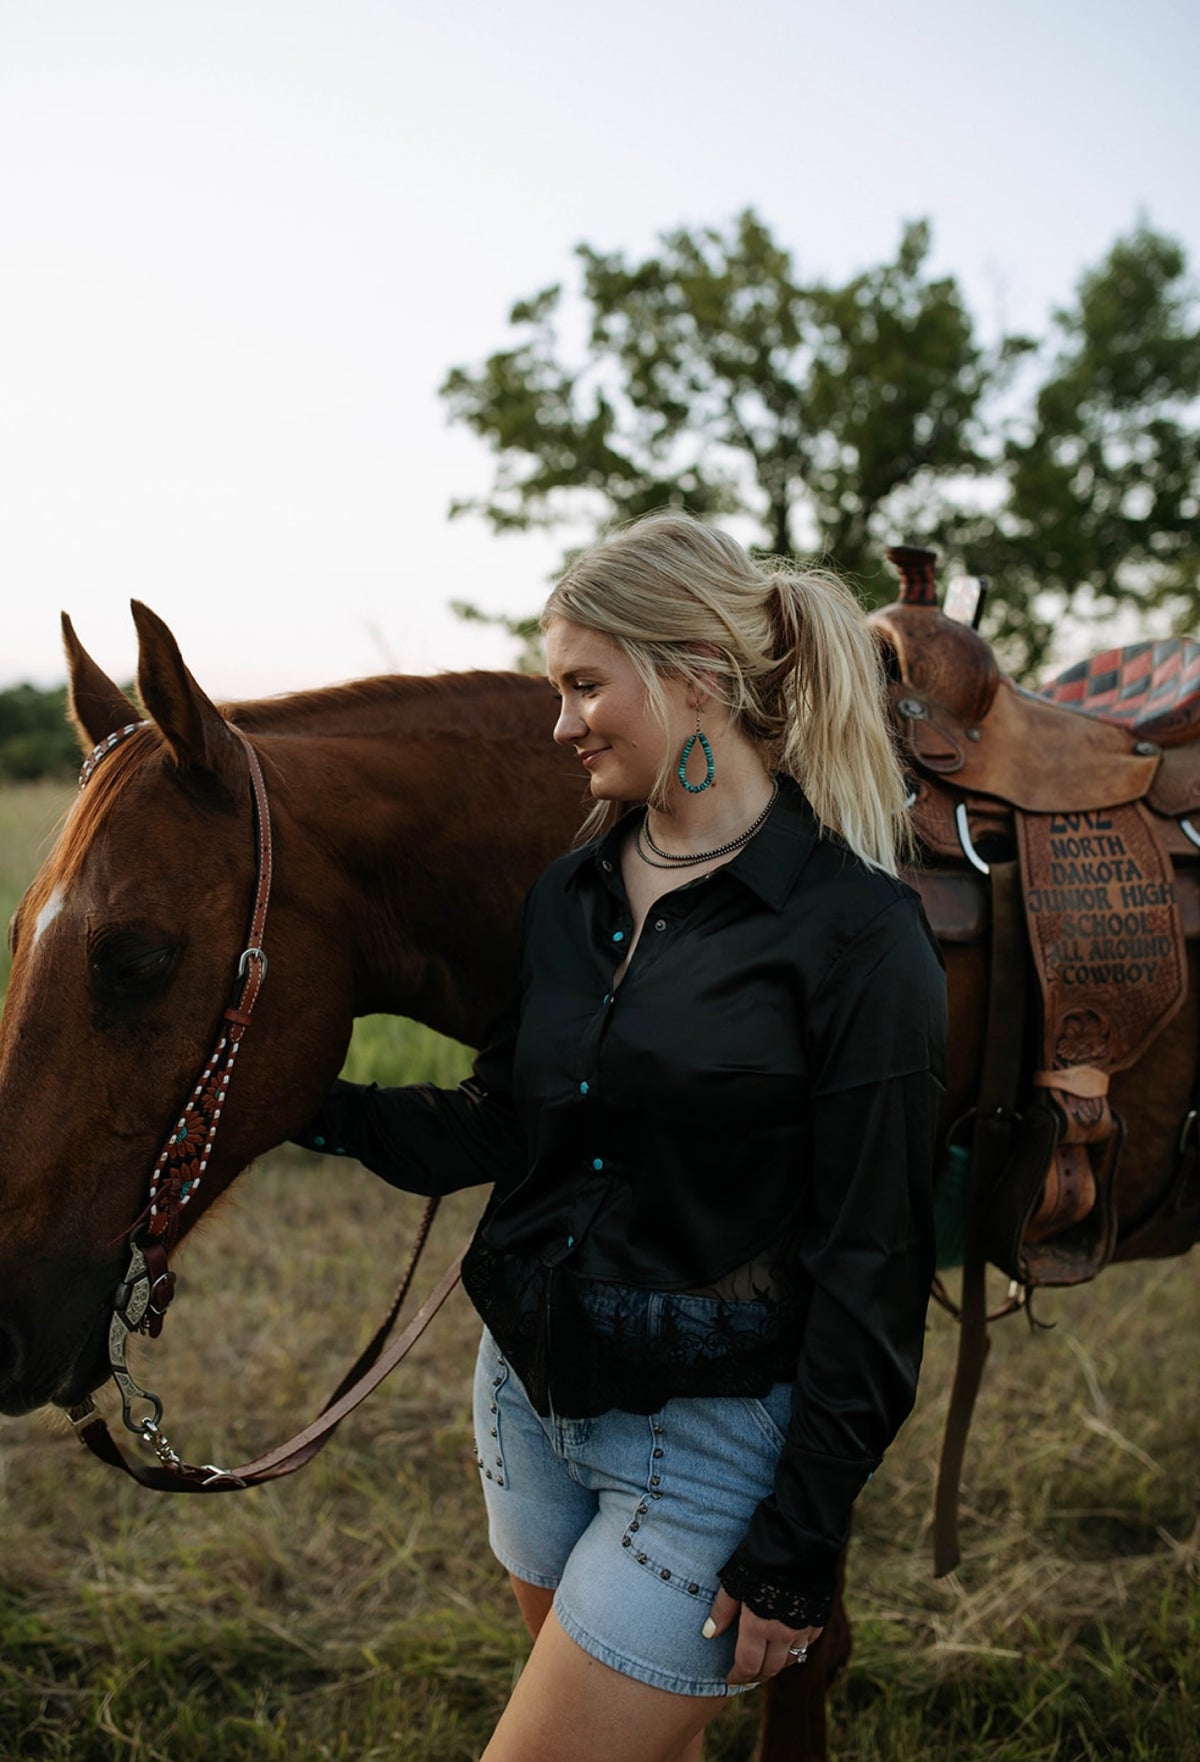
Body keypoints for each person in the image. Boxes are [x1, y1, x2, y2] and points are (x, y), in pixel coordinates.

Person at [293, 511, 947, 1762]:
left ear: (694, 674)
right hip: (524, 1405)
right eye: (559, 688)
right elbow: (512, 1122)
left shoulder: (856, 934)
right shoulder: (571, 893)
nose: (560, 722)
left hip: (708, 1450)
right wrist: (305, 1110)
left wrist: (799, 1546)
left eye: (585, 685)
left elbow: (876, 1264)